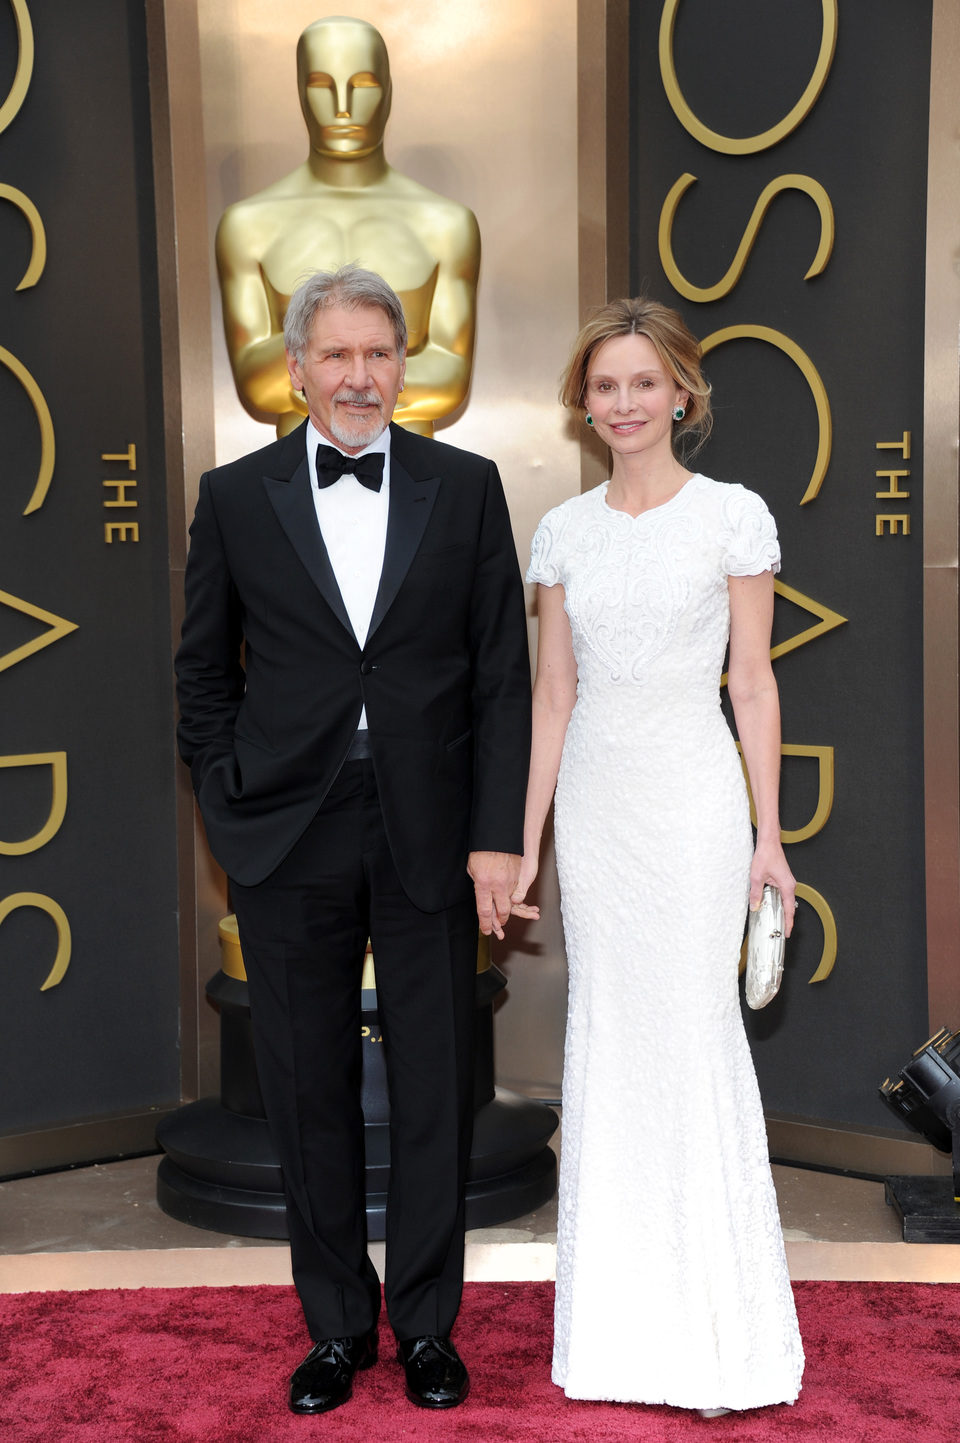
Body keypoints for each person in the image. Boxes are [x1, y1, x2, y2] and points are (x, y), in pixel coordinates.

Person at [175, 265, 530, 1415]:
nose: (361, 375)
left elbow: (500, 681)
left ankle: (426, 1325)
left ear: (403, 364)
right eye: (338, 354)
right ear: (298, 368)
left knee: (434, 1085)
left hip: (431, 824)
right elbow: (200, 674)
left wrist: (494, 838)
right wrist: (229, 801)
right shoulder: (234, 497)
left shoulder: (467, 488)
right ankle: (337, 1327)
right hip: (288, 829)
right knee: (304, 1087)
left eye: (380, 353)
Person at [510, 298, 805, 1414]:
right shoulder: (563, 532)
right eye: (604, 385)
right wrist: (528, 840)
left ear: (681, 392)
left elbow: (754, 685)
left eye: (643, 382)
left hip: (689, 800)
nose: (623, 402)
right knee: (612, 1037)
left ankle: (717, 1333)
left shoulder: (732, 518)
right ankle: (620, 1332)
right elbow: (551, 696)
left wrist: (769, 836)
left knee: (690, 1032)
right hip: (595, 808)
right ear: (582, 403)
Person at [216, 15, 480, 438]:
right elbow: (254, 380)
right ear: (300, 92)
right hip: (297, 479)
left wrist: (322, 372)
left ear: (389, 92)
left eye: (364, 85)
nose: (342, 106)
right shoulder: (248, 225)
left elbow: (451, 375)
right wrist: (381, 370)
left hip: (416, 473)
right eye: (322, 85)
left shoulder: (447, 224)